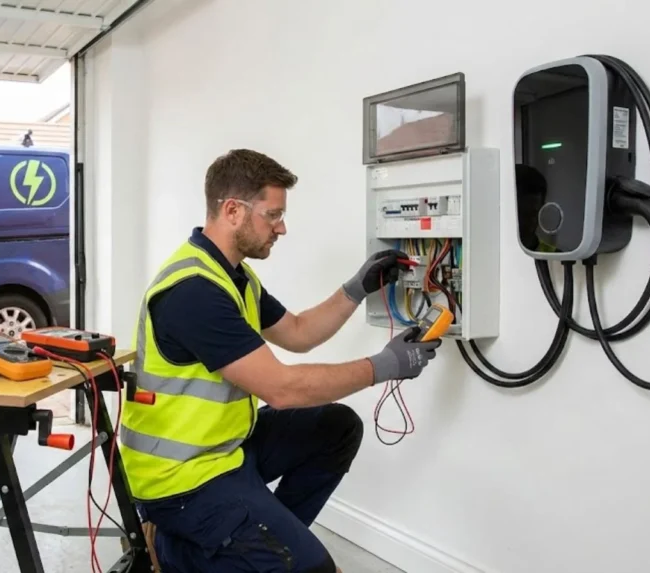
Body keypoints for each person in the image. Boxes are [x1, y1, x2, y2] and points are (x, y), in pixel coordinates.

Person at [118, 149, 443, 572]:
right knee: (314, 570)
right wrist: (384, 365)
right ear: (233, 211)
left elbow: (298, 333)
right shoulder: (194, 291)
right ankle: (170, 549)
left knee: (337, 428)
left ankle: (258, 541)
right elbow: (283, 389)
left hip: (228, 450)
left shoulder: (234, 276)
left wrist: (357, 288)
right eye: (272, 215)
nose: (282, 228)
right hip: (182, 480)